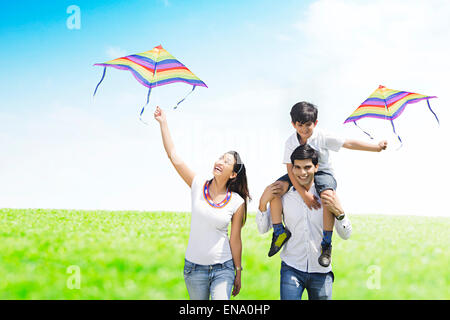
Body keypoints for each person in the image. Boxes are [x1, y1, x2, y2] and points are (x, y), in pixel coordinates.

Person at [268, 101, 387, 268]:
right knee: (275, 189)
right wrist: (304, 194)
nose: (303, 129)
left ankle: (326, 244)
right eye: (299, 125)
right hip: (298, 171)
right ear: (293, 124)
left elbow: (349, 143)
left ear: (315, 123)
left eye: (308, 125)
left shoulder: (322, 136)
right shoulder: (290, 142)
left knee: (327, 197)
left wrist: (376, 147)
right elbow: (290, 170)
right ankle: (279, 232)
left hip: (322, 172)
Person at [153, 106, 250, 300]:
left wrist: (238, 270)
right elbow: (173, 155)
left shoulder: (237, 202)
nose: (219, 161)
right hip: (194, 269)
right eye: (220, 158)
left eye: (226, 161)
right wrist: (163, 123)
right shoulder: (198, 184)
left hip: (223, 268)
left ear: (232, 174)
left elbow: (235, 239)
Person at [257, 144, 352, 300]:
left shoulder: (327, 195)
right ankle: (280, 233)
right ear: (292, 169)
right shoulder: (283, 195)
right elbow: (262, 229)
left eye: (307, 167)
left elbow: (346, 234)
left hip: (322, 271)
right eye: (298, 167)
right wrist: (262, 203)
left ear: (316, 167)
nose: (302, 172)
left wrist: (340, 213)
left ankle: (326, 245)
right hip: (291, 268)